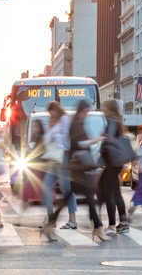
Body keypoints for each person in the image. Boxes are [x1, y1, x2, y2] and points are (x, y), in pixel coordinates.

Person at [42, 101, 107, 243]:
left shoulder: (69, 121)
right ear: (82, 111)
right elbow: (74, 143)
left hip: (69, 163)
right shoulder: (73, 123)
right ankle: (95, 227)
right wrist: (94, 140)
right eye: (86, 111)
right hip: (68, 164)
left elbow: (67, 141)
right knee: (70, 192)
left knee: (70, 193)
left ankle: (59, 222)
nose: (87, 114)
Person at [41, 102, 78, 230]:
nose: (51, 115)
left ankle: (72, 220)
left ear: (56, 110)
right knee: (46, 186)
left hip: (62, 157)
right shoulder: (54, 120)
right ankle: (51, 219)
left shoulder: (64, 119)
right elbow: (47, 139)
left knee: (66, 189)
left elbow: (65, 138)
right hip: (53, 159)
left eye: (52, 112)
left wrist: (54, 135)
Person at [98, 99, 129, 235]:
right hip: (116, 162)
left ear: (109, 109)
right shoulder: (117, 122)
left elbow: (109, 141)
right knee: (116, 193)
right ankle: (123, 223)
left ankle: (111, 225)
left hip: (111, 162)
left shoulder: (111, 122)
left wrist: (103, 138)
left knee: (108, 192)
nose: (103, 109)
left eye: (104, 107)